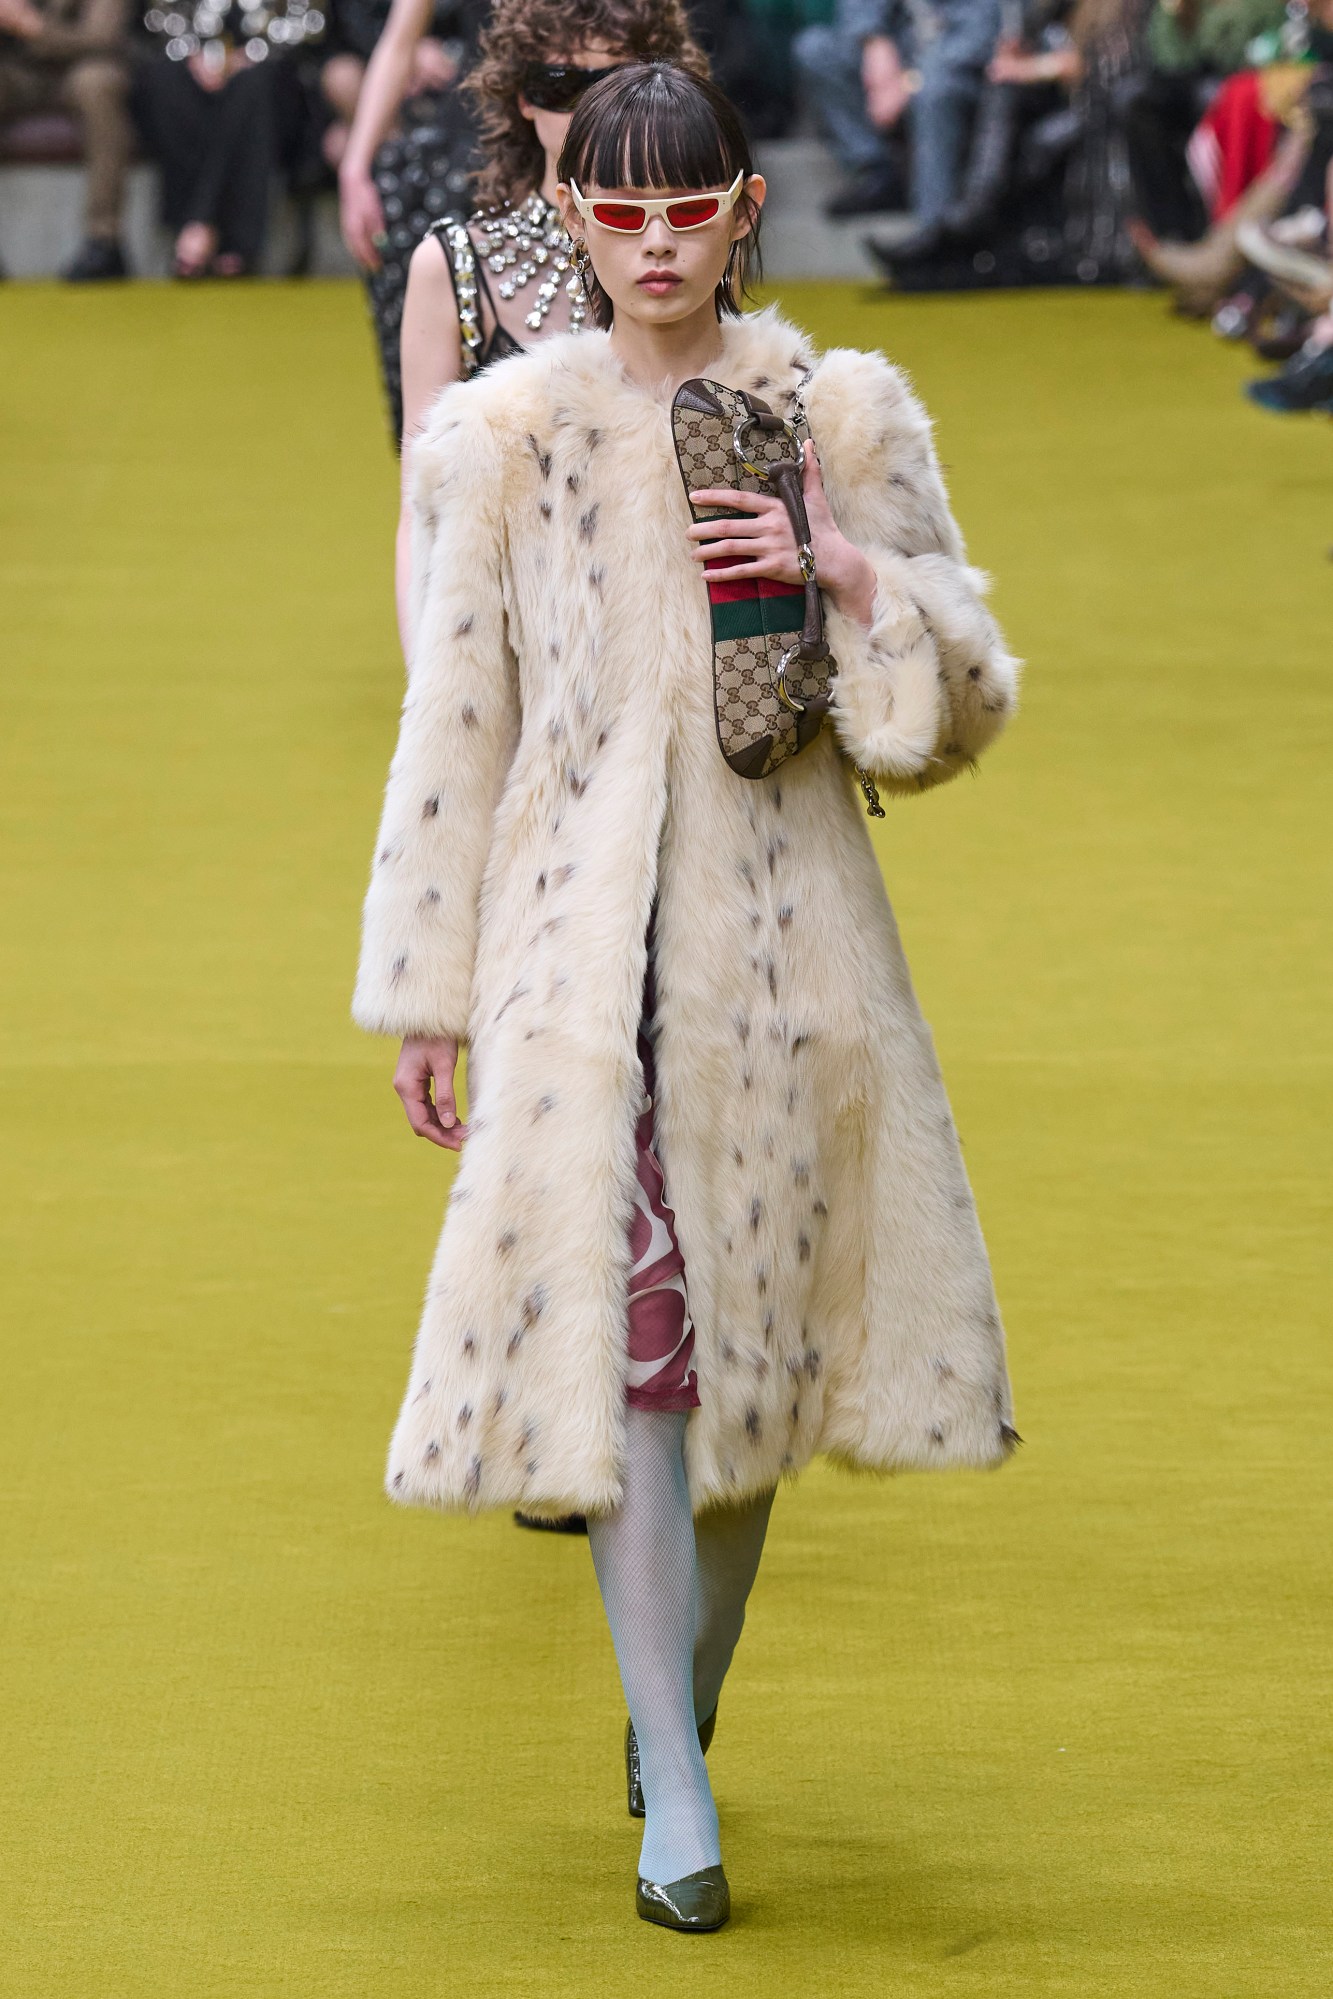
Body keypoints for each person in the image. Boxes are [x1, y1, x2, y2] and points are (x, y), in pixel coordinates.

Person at [351, 61, 1019, 1930]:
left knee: (755, 1358)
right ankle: (681, 1782)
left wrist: (840, 563)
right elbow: (454, 716)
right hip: (570, 952)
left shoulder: (837, 410)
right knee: (634, 1362)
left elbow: (952, 706)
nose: (652, 246)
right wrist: (429, 985)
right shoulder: (501, 436)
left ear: (740, 206)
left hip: (788, 943)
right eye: (615, 214)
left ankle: (675, 1707)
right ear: (572, 217)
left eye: (687, 209)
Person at [793, 0, 1001, 222]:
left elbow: (986, 33)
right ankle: (878, 172)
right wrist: (873, 39)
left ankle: (934, 225)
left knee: (935, 92)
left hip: (959, 69)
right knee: (816, 48)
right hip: (900, 49)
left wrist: (911, 80)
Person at [0, 0, 133, 278]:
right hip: (18, 69)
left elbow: (102, 37)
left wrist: (29, 25)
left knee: (96, 84)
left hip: (83, 66)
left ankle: (103, 240)